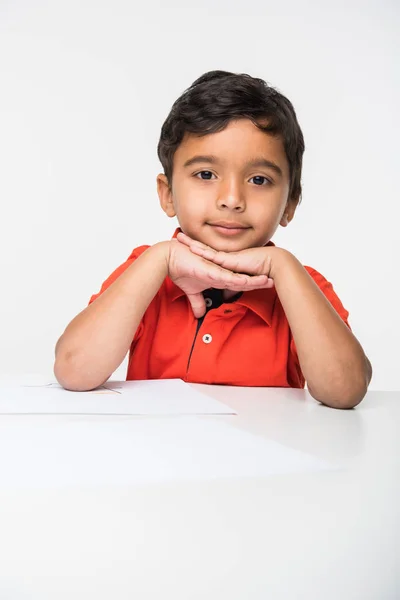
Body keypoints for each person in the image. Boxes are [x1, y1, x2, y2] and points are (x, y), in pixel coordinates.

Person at [54, 70, 372, 408]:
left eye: (259, 179)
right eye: (205, 174)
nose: (232, 198)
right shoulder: (146, 272)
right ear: (168, 195)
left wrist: (282, 265)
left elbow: (345, 391)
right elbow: (74, 371)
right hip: (158, 455)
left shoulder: (302, 286)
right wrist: (162, 259)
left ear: (289, 204)